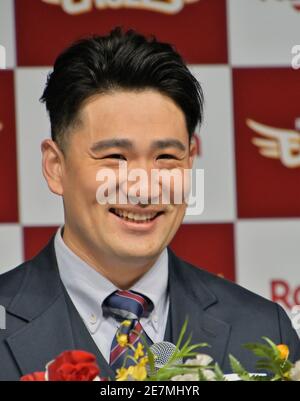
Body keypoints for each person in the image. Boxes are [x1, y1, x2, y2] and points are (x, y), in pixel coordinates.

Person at [0, 27, 299, 381]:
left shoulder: (264, 329)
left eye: (166, 157)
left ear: (190, 161)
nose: (143, 187)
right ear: (56, 167)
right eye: (114, 156)